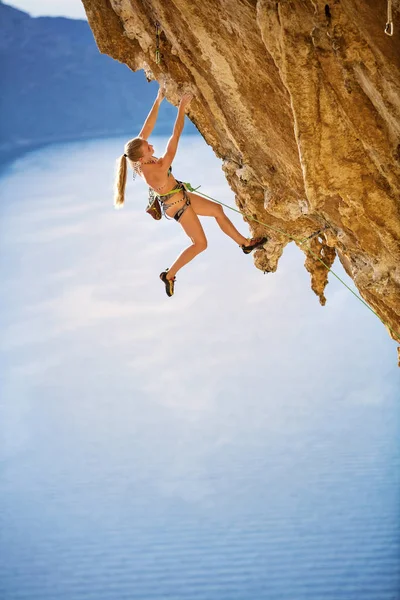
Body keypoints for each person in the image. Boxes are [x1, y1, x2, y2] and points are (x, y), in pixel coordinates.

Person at [113, 86, 268, 297]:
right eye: (148, 148)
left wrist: (158, 100)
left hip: (178, 196)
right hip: (176, 206)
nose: (150, 146)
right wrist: (182, 108)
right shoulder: (155, 170)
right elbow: (175, 137)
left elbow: (146, 128)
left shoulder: (136, 159)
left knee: (217, 210)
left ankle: (245, 244)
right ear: (142, 157)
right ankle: (168, 275)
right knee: (201, 244)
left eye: (148, 144)